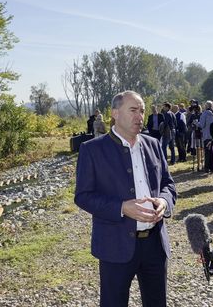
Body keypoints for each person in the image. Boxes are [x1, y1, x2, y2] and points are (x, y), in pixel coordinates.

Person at [74, 90, 177, 307]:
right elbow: (83, 196)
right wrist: (121, 207)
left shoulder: (153, 144)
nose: (139, 116)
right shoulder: (92, 149)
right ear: (115, 113)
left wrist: (164, 202)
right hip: (115, 244)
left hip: (155, 244)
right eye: (133, 110)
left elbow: (168, 184)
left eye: (142, 111)